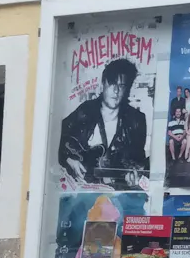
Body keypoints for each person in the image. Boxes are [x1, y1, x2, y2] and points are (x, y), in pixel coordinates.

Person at [58, 58, 148, 186]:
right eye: (112, 83)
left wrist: (134, 173)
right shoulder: (85, 111)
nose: (116, 91)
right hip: (84, 188)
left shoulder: (136, 120)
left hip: (117, 191)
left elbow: (138, 158)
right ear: (103, 84)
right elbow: (57, 138)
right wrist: (70, 159)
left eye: (121, 86)